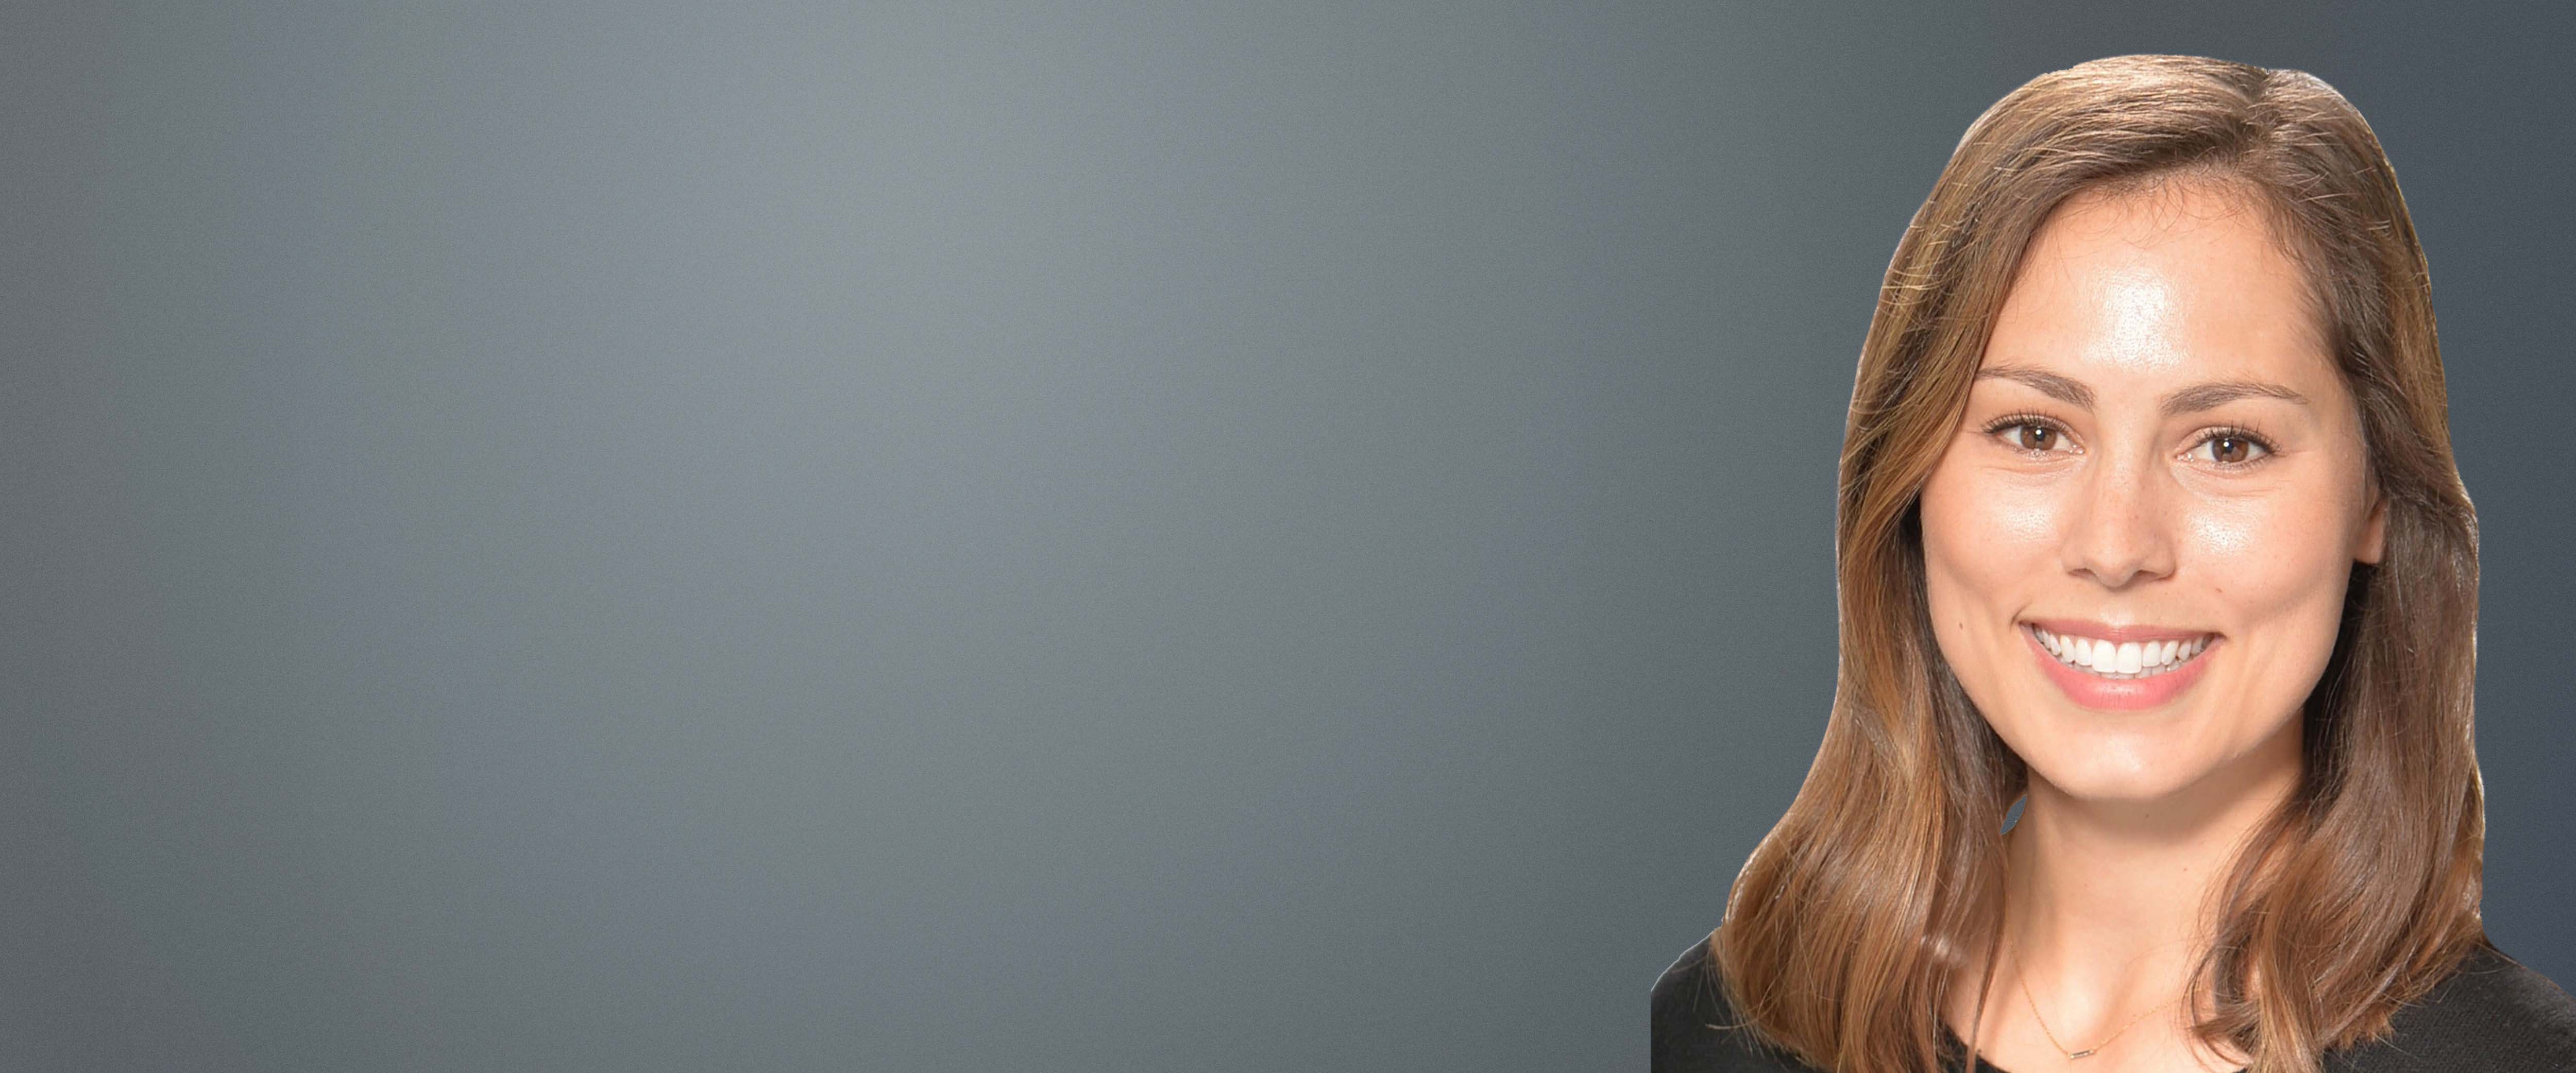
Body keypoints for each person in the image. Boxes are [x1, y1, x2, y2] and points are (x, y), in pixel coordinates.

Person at [1650, 54, 2576, 1073]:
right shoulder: (1728, 1023)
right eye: (2034, 432)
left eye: (2228, 444)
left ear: (2377, 496)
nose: (2116, 546)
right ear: (1907, 477)